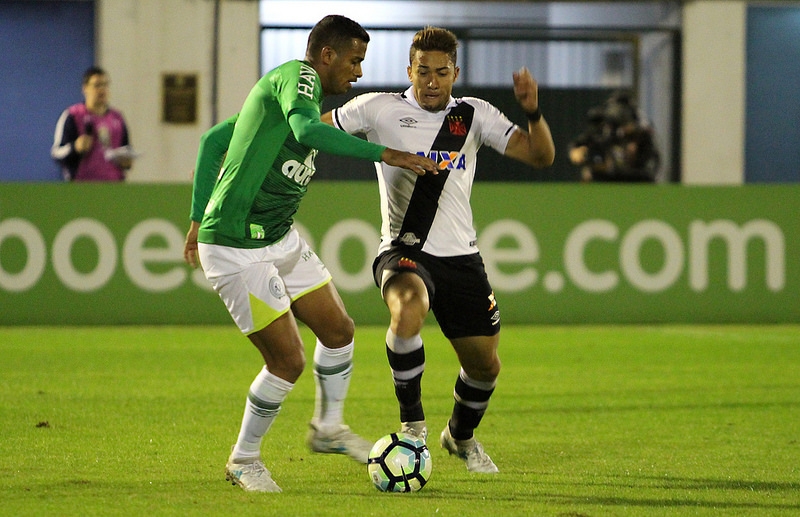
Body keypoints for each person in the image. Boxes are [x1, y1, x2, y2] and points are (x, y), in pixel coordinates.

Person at [182, 15, 439, 493]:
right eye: (354, 60)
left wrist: (197, 216)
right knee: (288, 362)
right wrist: (390, 154)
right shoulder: (296, 78)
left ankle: (328, 427)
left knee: (339, 330)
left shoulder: (288, 97)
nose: (358, 72)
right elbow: (305, 130)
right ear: (326, 56)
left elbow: (214, 141)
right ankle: (244, 459)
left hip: (278, 238)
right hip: (238, 246)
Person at [322, 26, 555, 473]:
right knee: (407, 307)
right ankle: (413, 429)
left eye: (441, 73)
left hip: (462, 257)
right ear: (409, 70)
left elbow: (540, 157)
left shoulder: (472, 115)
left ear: (455, 73)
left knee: (485, 366)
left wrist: (533, 112)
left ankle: (460, 437)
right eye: (423, 71)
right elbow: (311, 130)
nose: (431, 81)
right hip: (403, 249)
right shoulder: (377, 107)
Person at [51, 66, 136, 181]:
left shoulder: (117, 118)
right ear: (85, 88)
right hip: (82, 187)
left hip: (114, 186)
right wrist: (75, 147)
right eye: (97, 85)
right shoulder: (73, 116)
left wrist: (126, 161)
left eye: (105, 85)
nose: (102, 90)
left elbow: (126, 149)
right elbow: (56, 153)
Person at [568, 91, 659, 182]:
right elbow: (583, 142)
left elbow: (651, 159)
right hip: (608, 174)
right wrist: (575, 150)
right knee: (589, 173)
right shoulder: (607, 129)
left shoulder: (641, 127)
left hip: (637, 174)